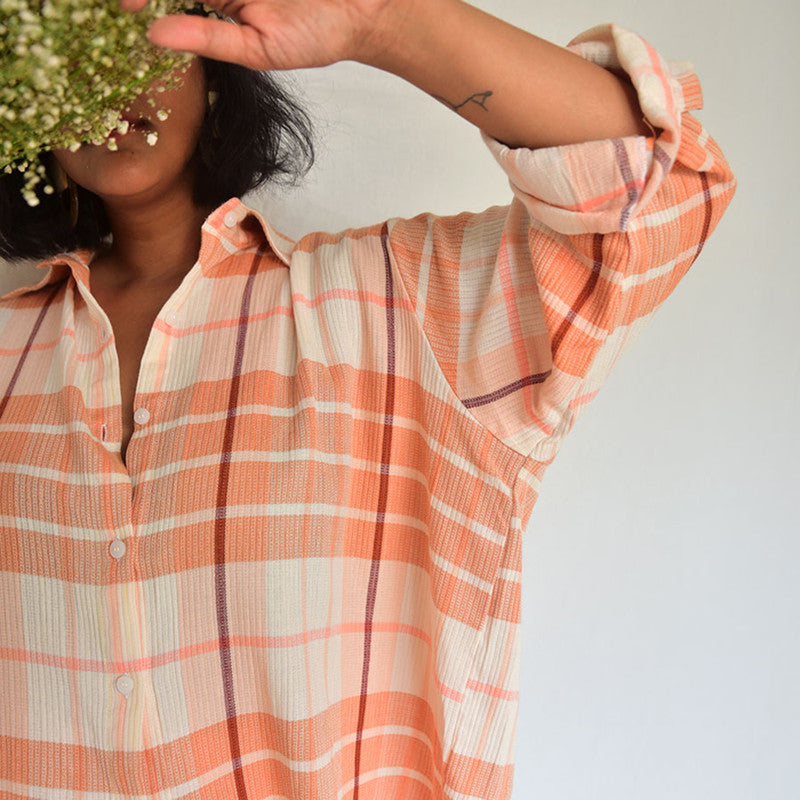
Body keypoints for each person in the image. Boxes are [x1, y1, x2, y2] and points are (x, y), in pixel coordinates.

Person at [0, 0, 737, 797]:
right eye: (69, 52)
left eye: (142, 39)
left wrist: (380, 22)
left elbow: (653, 192)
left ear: (215, 71)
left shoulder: (397, 308)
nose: (106, 81)